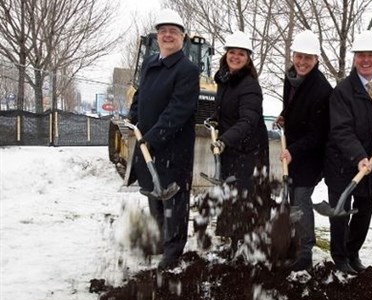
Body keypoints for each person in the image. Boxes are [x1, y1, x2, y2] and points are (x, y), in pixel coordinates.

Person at [127, 9, 200, 269]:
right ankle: (158, 240)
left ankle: (173, 251)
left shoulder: (188, 69)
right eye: (163, 31)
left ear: (182, 38)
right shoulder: (150, 63)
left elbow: (179, 109)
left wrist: (152, 137)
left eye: (173, 32)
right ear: (157, 36)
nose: (167, 35)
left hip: (173, 148)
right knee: (154, 195)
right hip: (148, 144)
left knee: (174, 200)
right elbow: (140, 95)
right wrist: (133, 117)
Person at [323, 31, 372, 274]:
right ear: (354, 58)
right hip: (342, 163)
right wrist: (359, 156)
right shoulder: (342, 90)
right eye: (361, 55)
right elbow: (340, 130)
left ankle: (353, 253)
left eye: (371, 55)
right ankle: (339, 257)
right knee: (340, 212)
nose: (366, 60)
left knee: (364, 211)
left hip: (369, 163)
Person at [277, 30, 333, 271]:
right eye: (299, 56)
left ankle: (305, 253)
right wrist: (284, 116)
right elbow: (291, 108)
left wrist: (293, 151)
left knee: (300, 199)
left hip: (311, 156)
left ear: (316, 60)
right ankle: (294, 243)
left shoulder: (322, 90)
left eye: (308, 58)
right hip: (292, 151)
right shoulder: (290, 78)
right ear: (293, 56)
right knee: (292, 199)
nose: (302, 62)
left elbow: (318, 134)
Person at [211, 31, 269, 246]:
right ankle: (231, 245)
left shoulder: (249, 85)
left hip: (248, 152)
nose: (235, 57)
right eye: (232, 52)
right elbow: (227, 111)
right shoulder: (225, 81)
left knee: (244, 200)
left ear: (248, 59)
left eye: (241, 54)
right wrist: (215, 119)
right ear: (226, 54)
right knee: (230, 198)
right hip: (232, 148)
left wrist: (225, 139)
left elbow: (248, 120)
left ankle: (245, 248)